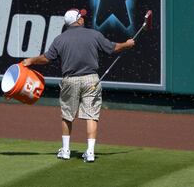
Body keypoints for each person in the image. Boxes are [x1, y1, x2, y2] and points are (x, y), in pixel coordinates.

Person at [22, 8, 135, 162]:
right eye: (81, 16)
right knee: (91, 116)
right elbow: (113, 48)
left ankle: (66, 150)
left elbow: (47, 58)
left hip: (70, 80)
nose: (83, 18)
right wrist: (127, 44)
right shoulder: (93, 34)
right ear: (79, 20)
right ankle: (90, 152)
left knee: (67, 115)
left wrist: (31, 60)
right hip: (91, 80)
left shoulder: (60, 39)